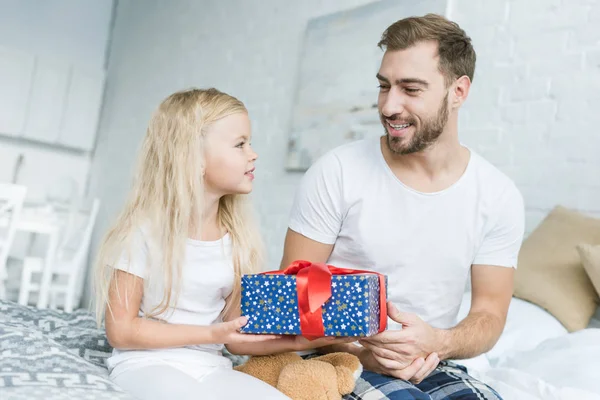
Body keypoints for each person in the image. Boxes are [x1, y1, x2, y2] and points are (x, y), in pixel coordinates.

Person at [280, 13, 524, 400]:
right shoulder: (336, 172)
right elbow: (293, 300)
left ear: (458, 91)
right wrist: (363, 350)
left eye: (410, 89)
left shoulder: (498, 195)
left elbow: (490, 314)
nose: (389, 106)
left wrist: (440, 342)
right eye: (384, 86)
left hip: (434, 360)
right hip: (338, 359)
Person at [94, 88, 350, 400]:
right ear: (193, 158)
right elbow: (120, 330)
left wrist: (304, 341)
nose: (253, 154)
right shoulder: (142, 232)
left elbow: (234, 338)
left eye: (250, 143)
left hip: (210, 366)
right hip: (146, 363)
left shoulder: (237, 240)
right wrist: (209, 334)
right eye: (240, 144)